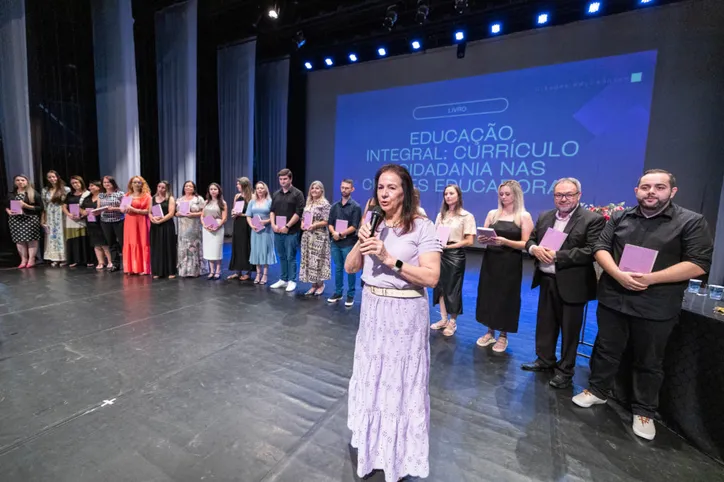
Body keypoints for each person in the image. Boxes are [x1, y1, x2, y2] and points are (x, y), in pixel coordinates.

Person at [573, 169, 712, 441]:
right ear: (636, 191)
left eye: (659, 187)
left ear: (672, 192)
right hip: (614, 296)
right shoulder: (619, 217)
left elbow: (697, 263)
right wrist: (617, 274)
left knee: (649, 359)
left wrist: (650, 278)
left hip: (656, 303)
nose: (651, 192)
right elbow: (601, 248)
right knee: (606, 348)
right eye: (645, 187)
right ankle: (598, 390)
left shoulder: (691, 222)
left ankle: (644, 410)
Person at [344, 164, 441, 482]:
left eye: (391, 188)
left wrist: (389, 259)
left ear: (405, 191)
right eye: (380, 187)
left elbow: (431, 276)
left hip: (405, 312)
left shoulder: (422, 227)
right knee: (373, 375)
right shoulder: (372, 221)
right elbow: (349, 267)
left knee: (399, 382)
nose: (384, 194)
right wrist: (361, 241)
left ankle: (397, 455)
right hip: (373, 308)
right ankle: (371, 445)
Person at [521, 178, 605, 388]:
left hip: (573, 283)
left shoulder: (591, 219)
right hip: (546, 279)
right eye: (559, 195)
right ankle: (544, 360)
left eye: (568, 194)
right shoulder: (544, 216)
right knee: (545, 325)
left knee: (570, 330)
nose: (563, 199)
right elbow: (531, 240)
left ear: (578, 195)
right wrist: (534, 249)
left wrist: (559, 256)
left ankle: (565, 371)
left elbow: (592, 251)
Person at [475, 180, 534, 353]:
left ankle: (503, 335)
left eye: (507, 194)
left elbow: (526, 244)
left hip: (510, 263)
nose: (504, 197)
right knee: (489, 295)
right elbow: (482, 235)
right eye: (501, 194)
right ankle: (489, 331)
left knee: (506, 297)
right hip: (491, 260)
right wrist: (483, 239)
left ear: (516, 195)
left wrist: (506, 241)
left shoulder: (524, 216)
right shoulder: (493, 214)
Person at [430, 184, 476, 336]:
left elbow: (470, 241)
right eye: (446, 194)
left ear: (458, 196)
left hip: (455, 254)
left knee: (453, 288)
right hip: (440, 253)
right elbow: (435, 234)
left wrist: (451, 246)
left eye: (451, 193)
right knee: (441, 286)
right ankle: (443, 319)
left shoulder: (466, 216)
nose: (448, 196)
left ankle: (453, 322)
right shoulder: (441, 215)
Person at [326, 179, 362, 307]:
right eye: (342, 187)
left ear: (352, 190)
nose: (344, 190)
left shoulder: (356, 207)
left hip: (348, 242)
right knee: (338, 268)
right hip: (335, 242)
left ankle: (351, 294)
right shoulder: (335, 206)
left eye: (347, 188)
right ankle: (338, 292)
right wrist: (334, 233)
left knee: (350, 269)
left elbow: (354, 226)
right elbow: (330, 223)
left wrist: (340, 234)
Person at [270, 168, 305, 292]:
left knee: (291, 256)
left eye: (285, 179)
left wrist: (287, 226)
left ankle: (292, 280)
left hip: (291, 231)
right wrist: (273, 225)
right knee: (281, 255)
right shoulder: (276, 194)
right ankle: (283, 279)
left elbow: (299, 213)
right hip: (277, 230)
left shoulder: (297, 194)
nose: (283, 181)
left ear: (290, 179)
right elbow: (272, 211)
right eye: (280, 179)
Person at [299, 180, 331, 296]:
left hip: (319, 236)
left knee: (317, 260)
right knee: (309, 260)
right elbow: (303, 218)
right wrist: (302, 224)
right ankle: (313, 285)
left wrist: (314, 225)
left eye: (317, 188)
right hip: (307, 235)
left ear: (322, 190)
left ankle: (321, 284)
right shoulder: (309, 203)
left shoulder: (325, 204)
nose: (314, 190)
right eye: (312, 188)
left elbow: (326, 221)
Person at [6, 174, 43, 268]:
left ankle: (31, 259)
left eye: (22, 180)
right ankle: (23, 260)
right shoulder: (11, 194)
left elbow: (40, 207)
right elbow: (5, 205)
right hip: (15, 220)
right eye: (18, 180)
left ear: (27, 182)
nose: (20, 182)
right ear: (15, 182)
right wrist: (8, 211)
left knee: (32, 240)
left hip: (30, 219)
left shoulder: (33, 193)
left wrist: (26, 206)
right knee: (19, 240)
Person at [247, 181, 276, 285]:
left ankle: (265, 275)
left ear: (265, 189)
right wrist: (251, 225)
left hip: (267, 230)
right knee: (257, 251)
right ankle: (258, 274)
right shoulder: (252, 202)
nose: (259, 190)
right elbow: (248, 215)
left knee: (266, 251)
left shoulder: (270, 201)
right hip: (255, 230)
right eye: (258, 188)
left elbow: (273, 216)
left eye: (261, 188)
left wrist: (266, 221)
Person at [121, 176, 152, 275]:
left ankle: (143, 268)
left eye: (139, 182)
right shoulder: (127, 195)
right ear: (131, 184)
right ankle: (131, 267)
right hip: (130, 222)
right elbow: (122, 209)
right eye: (134, 182)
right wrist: (123, 209)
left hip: (142, 221)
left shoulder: (147, 196)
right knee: (131, 241)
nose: (137, 184)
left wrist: (134, 210)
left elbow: (148, 211)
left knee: (142, 241)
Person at [176, 181, 206, 278]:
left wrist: (193, 214)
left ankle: (195, 270)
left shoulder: (198, 199)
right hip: (183, 227)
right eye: (186, 186)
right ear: (184, 188)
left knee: (193, 247)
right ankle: (184, 270)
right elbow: (175, 213)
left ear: (194, 188)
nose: (188, 187)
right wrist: (179, 214)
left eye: (190, 186)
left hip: (194, 227)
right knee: (183, 247)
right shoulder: (179, 200)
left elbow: (204, 212)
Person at [62, 176, 92, 268]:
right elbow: (64, 206)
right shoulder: (70, 194)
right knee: (73, 240)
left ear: (81, 182)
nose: (75, 185)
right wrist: (68, 214)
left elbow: (90, 206)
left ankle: (87, 260)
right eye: (73, 183)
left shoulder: (88, 194)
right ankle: (75, 260)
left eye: (77, 182)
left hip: (83, 219)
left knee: (84, 239)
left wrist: (83, 215)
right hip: (71, 219)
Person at [149, 181, 178, 279]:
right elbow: (149, 212)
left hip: (166, 226)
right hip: (155, 226)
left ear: (167, 189)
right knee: (156, 248)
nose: (160, 189)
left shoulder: (170, 198)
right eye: (159, 187)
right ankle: (157, 271)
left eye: (163, 187)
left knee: (168, 247)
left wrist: (161, 220)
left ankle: (171, 271)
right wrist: (152, 218)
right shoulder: (152, 198)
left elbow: (171, 213)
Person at [41, 170, 70, 266]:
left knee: (62, 234)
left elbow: (68, 204)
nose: (52, 179)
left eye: (53, 176)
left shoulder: (66, 189)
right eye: (49, 177)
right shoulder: (45, 190)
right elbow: (44, 206)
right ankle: (55, 257)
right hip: (50, 215)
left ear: (57, 177)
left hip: (61, 214)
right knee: (52, 235)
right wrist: (43, 219)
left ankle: (64, 257)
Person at [228, 177, 254, 280]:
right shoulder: (237, 196)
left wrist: (241, 214)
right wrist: (233, 214)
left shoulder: (252, 197)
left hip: (247, 223)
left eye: (238, 184)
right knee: (237, 246)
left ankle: (248, 272)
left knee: (246, 246)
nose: (237, 186)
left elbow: (252, 213)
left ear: (244, 185)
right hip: (238, 223)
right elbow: (234, 210)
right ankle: (237, 271)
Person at [82, 180, 111, 270]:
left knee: (104, 243)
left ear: (98, 187)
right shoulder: (87, 197)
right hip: (90, 222)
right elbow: (81, 208)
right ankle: (100, 262)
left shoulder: (102, 196)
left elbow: (106, 207)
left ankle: (110, 261)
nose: (90, 188)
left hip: (101, 221)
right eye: (89, 186)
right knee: (96, 243)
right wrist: (84, 212)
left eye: (92, 186)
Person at [99, 176, 125, 271]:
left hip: (118, 220)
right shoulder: (101, 195)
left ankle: (126, 264)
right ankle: (115, 264)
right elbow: (98, 207)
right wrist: (95, 211)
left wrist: (114, 208)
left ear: (113, 183)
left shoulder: (120, 194)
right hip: (105, 222)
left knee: (123, 243)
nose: (106, 184)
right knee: (111, 243)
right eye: (104, 182)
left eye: (108, 182)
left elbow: (125, 208)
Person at [201, 182, 227, 279]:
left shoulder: (223, 203)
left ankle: (218, 270)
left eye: (215, 189)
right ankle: (211, 271)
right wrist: (204, 224)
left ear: (219, 190)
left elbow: (224, 218)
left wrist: (217, 225)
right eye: (211, 189)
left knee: (217, 249)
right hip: (207, 227)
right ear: (209, 191)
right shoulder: (205, 202)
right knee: (209, 250)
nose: (213, 191)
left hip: (218, 227)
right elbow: (202, 215)